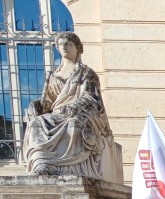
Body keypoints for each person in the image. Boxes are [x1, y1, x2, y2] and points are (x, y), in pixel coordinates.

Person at [22, 32, 114, 178]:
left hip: (78, 113)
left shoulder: (86, 73)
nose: (64, 46)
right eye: (61, 44)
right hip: (56, 114)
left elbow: (91, 97)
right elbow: (48, 103)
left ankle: (71, 166)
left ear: (77, 48)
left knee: (73, 124)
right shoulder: (53, 75)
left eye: (69, 44)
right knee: (35, 123)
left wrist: (75, 106)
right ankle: (41, 163)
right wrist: (36, 104)